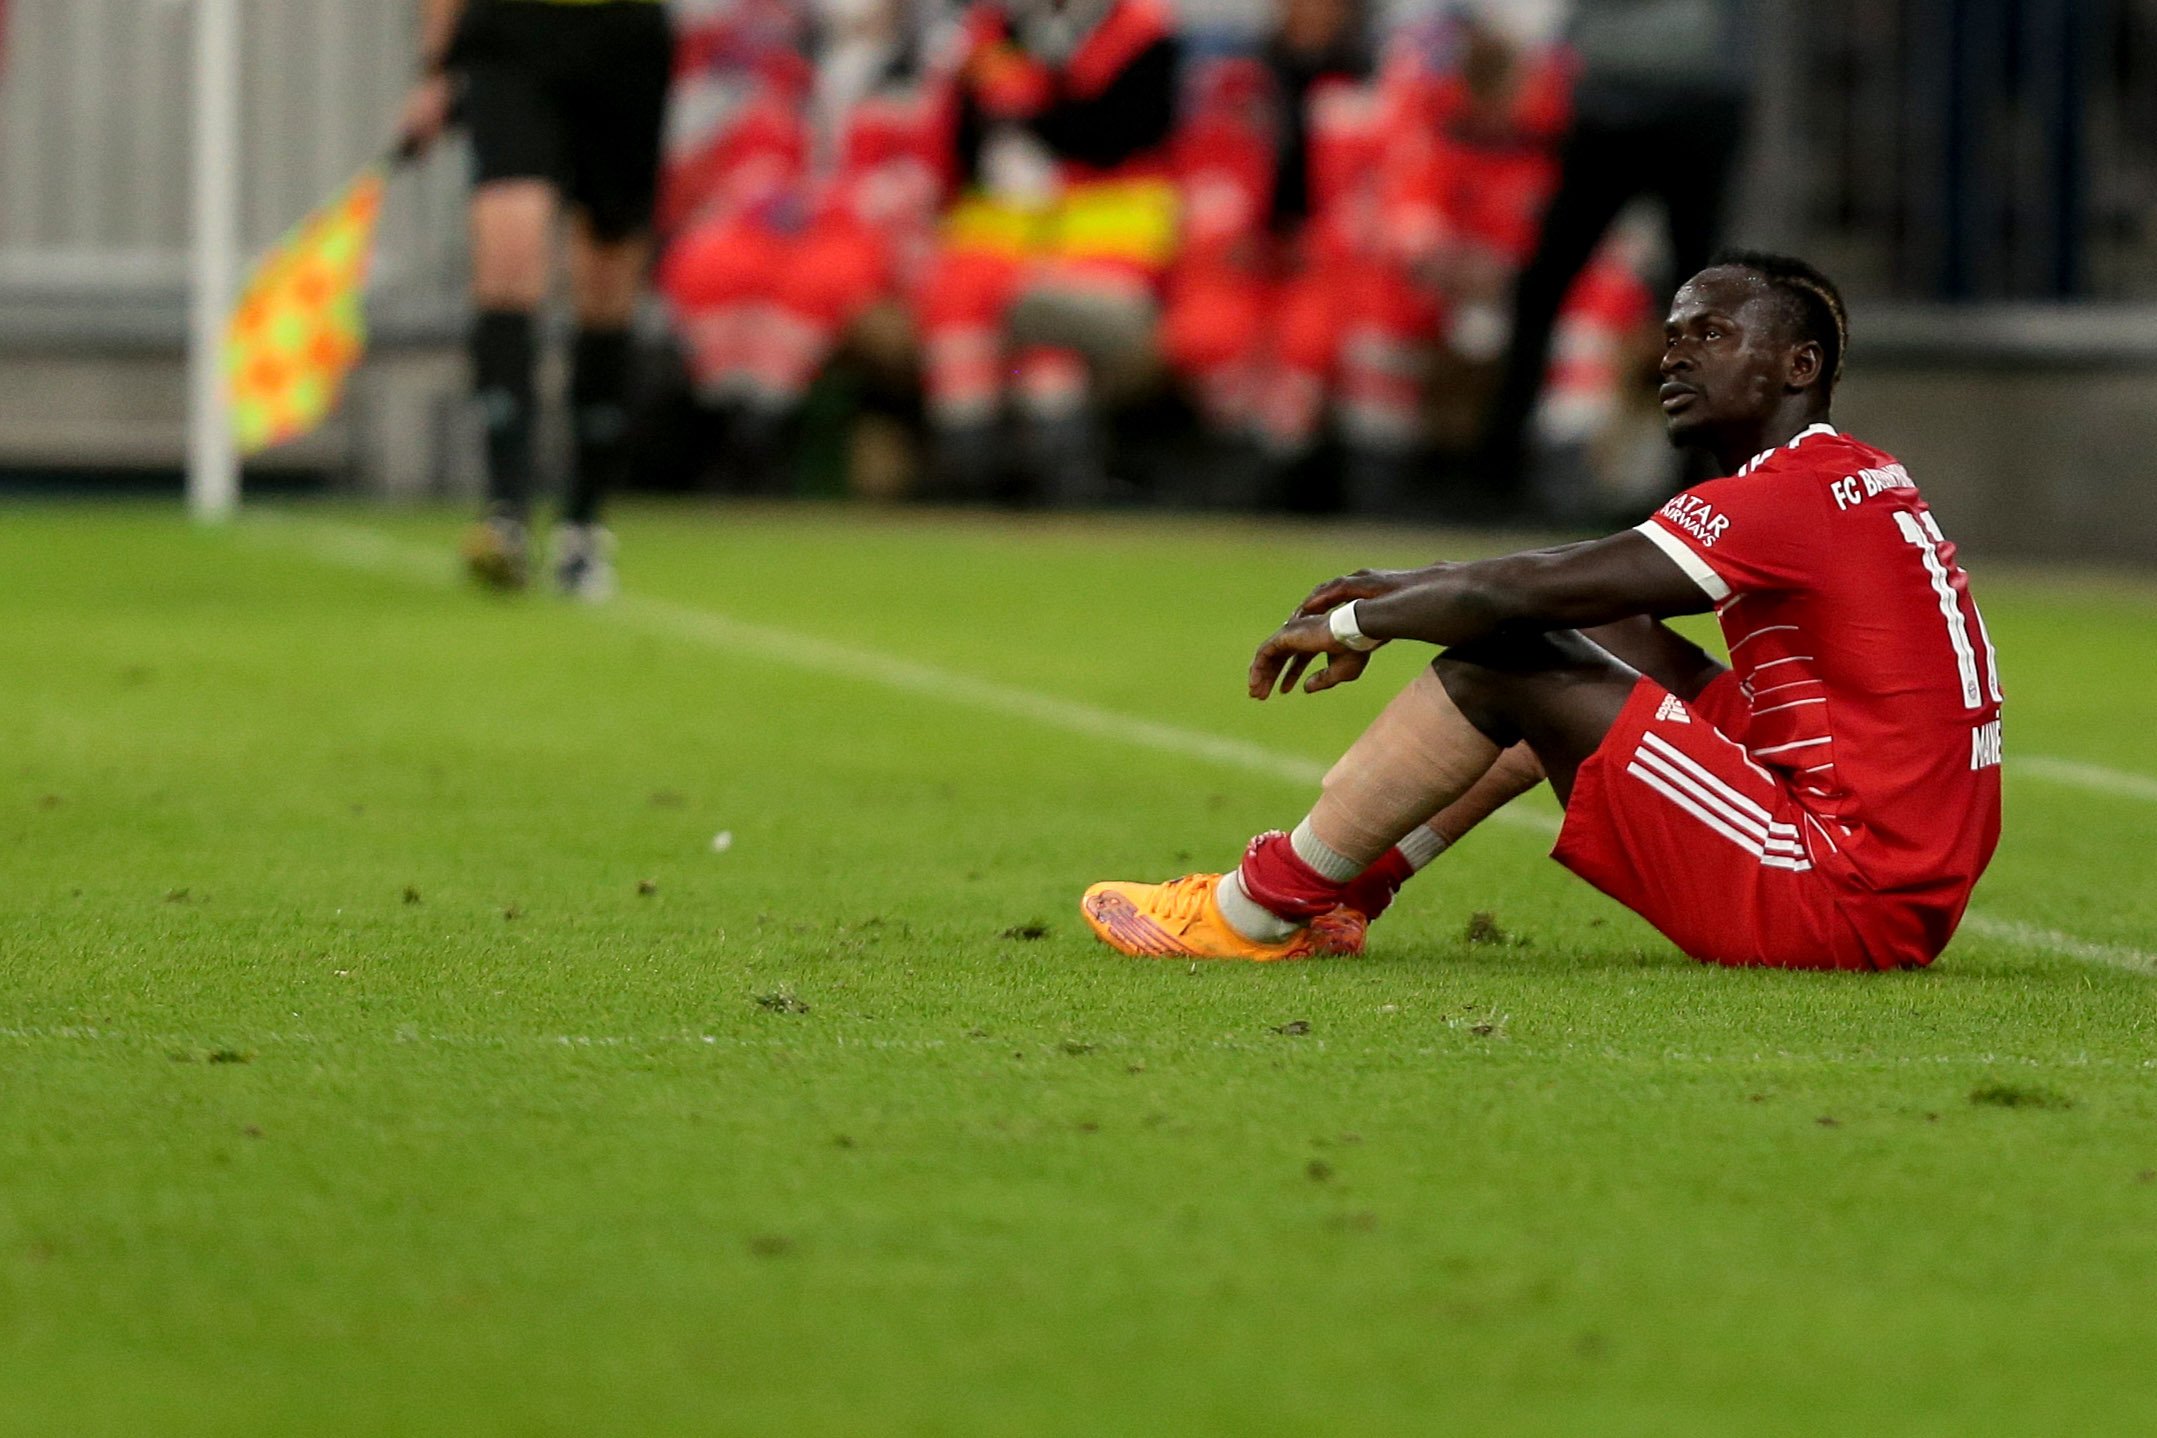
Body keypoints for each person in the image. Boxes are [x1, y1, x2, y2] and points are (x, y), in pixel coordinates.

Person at [1082, 253, 2004, 972]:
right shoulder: (1846, 475)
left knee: (1506, 661)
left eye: (1712, 335)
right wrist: (1417, 583)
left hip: (1838, 891)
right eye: (1673, 333)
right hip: (1893, 861)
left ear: (1799, 364)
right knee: (1593, 633)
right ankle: (1342, 892)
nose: (1674, 355)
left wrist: (1362, 619)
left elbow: (1520, 595)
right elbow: (1579, 590)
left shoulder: (1781, 499)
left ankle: (1256, 907)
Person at [397, 0, 676, 598]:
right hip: (511, 32)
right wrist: (435, 71)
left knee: (605, 286)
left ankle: (583, 526)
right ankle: (507, 517)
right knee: (509, 255)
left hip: (622, 41)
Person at [1474, 0, 1755, 511]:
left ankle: (1699, 481)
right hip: (1623, 101)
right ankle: (1499, 469)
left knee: (1697, 305)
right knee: (1543, 286)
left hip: (1693, 101)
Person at [660, 0, 949, 489]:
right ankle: (725, 410)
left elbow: (923, 175)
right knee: (712, 261)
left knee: (817, 278)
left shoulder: (922, 70)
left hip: (866, 230)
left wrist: (832, 202)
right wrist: (769, 193)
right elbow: (755, 150)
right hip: (788, 222)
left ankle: (764, 424)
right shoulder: (792, 68)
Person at [915, 0, 1182, 503]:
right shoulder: (991, 33)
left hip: (1105, 231)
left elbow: (1121, 135)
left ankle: (1057, 471)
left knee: (1045, 317)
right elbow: (963, 143)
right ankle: (966, 469)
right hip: (1002, 226)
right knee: (959, 308)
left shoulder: (1142, 33)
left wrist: (1033, 108)